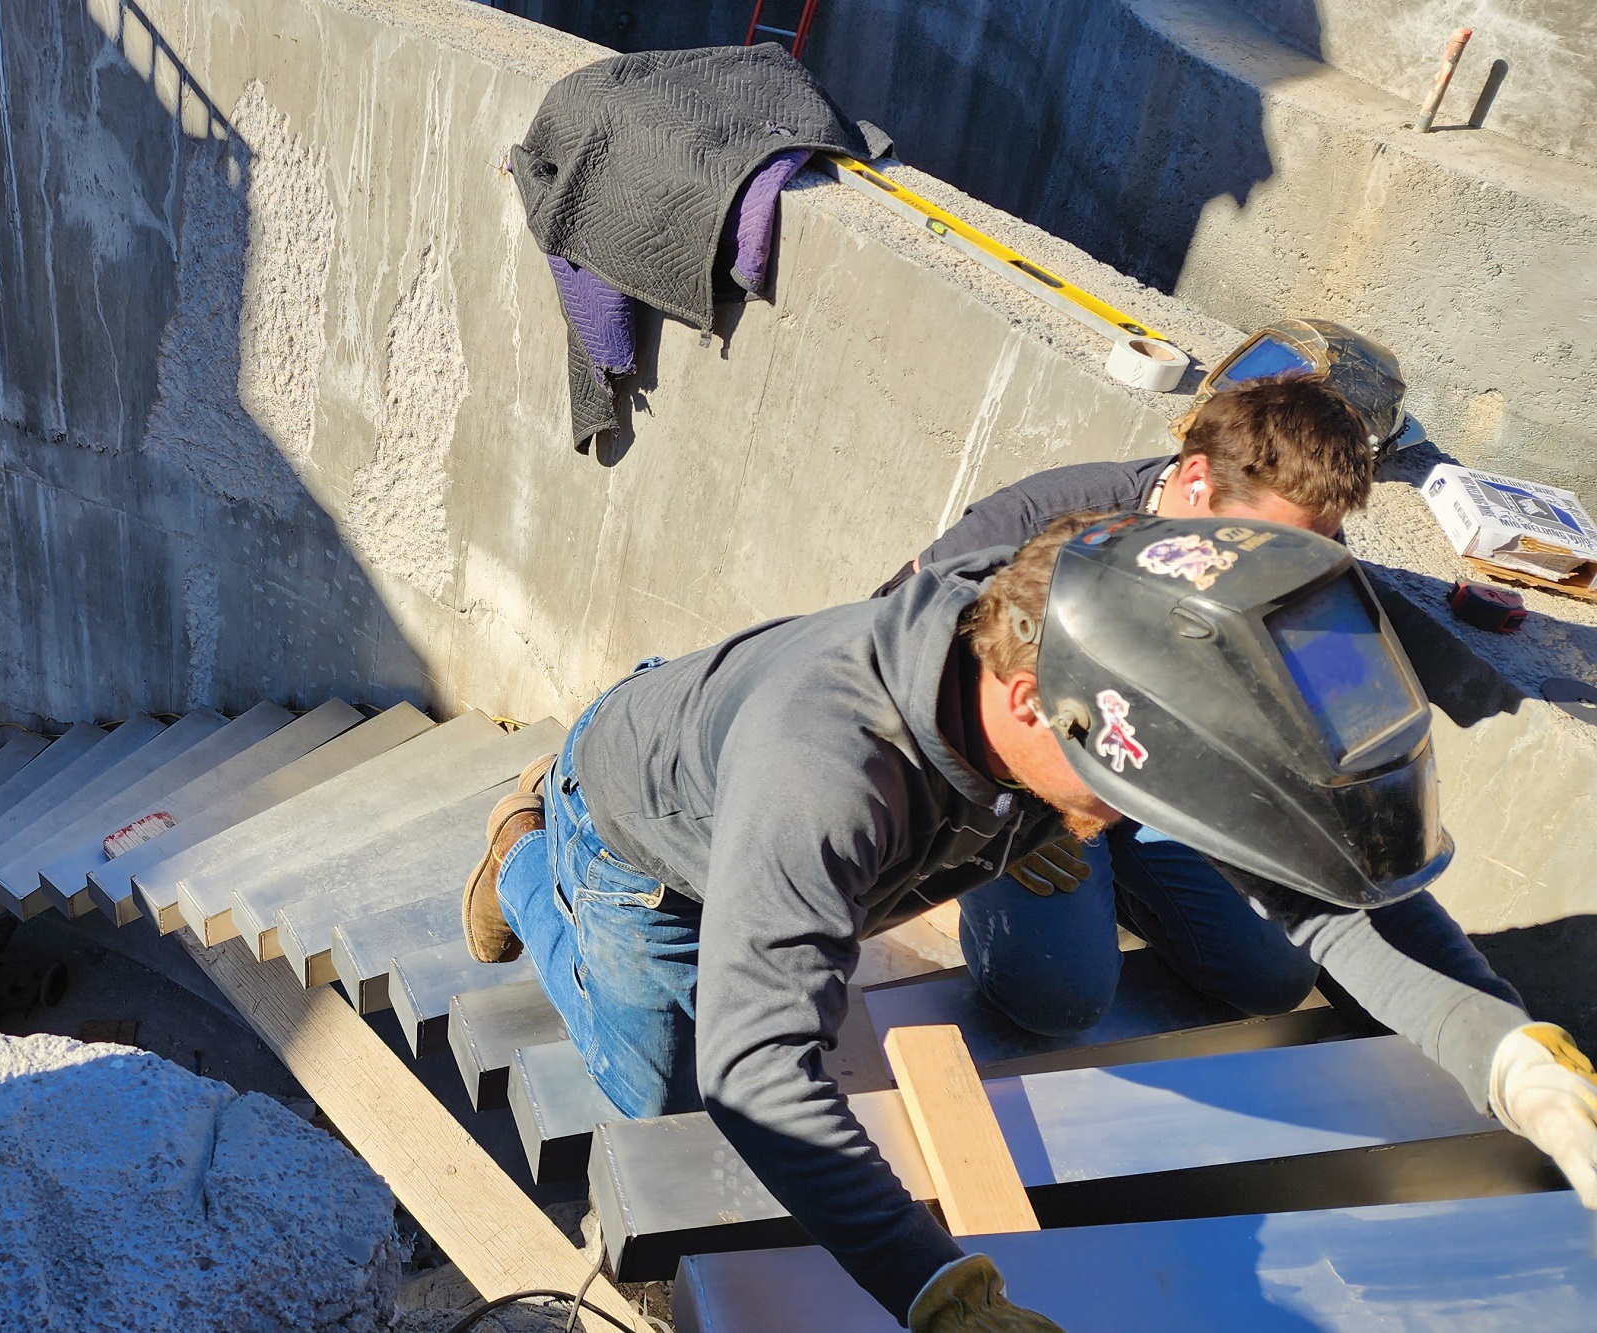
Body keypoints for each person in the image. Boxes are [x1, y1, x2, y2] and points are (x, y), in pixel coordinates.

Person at [461, 512, 1597, 1332]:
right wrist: (939, 1290)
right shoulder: (828, 775)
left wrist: (1510, 1055)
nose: (1130, 824)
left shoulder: (1081, 649)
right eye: (1120, 790)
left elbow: (1321, 897)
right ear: (1023, 704)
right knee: (670, 1110)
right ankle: (522, 856)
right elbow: (756, 1070)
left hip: (750, 770)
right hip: (640, 840)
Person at [867, 372, 1514, 1039]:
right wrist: (988, 823)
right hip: (1032, 791)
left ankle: (1123, 883)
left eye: (1313, 544)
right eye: (1264, 541)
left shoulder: (1294, 548)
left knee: (1272, 978)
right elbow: (884, 658)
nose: (1275, 568)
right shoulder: (1042, 520)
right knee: (1058, 999)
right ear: (1197, 479)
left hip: (1163, 780)